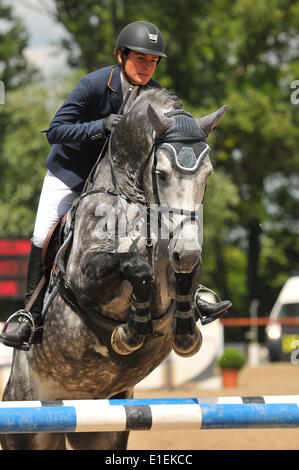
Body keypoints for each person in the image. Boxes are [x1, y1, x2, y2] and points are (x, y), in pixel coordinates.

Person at [0, 21, 231, 350]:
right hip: (73, 173)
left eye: (153, 61)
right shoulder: (95, 85)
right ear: (120, 56)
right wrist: (99, 126)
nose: (147, 67)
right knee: (42, 233)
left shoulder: (155, 97)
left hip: (121, 183)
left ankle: (190, 297)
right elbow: (55, 131)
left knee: (174, 222)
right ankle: (30, 314)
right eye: (140, 59)